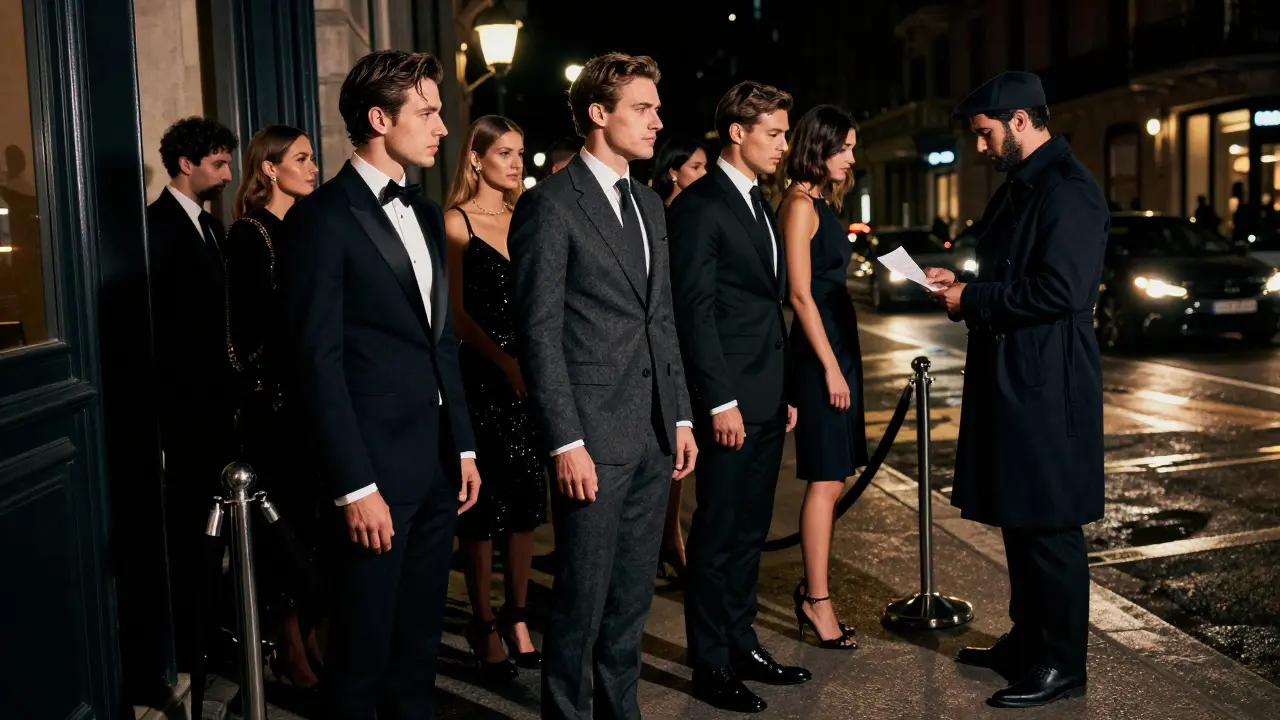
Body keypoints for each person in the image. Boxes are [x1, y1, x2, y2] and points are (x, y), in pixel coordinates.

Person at [282, 50, 482, 720]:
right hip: (370, 475)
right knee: (362, 654)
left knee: (418, 646)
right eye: (427, 113)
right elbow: (316, 361)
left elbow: (439, 341)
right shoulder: (322, 217)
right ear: (378, 118)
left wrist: (464, 447)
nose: (442, 128)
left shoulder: (426, 214)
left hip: (433, 468)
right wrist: (353, 485)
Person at [508, 52, 698, 720]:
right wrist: (566, 442)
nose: (657, 121)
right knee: (581, 597)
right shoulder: (550, 205)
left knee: (631, 599)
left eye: (655, 108)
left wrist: (679, 417)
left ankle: (623, 710)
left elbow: (662, 317)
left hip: (651, 432)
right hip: (591, 434)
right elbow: (538, 333)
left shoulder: (648, 203)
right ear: (599, 113)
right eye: (642, 109)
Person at [924, 70, 1107, 709]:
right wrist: (962, 279)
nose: (978, 147)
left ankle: (1062, 663)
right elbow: (1007, 271)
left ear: (1021, 122)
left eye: (984, 134)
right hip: (1015, 376)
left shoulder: (1068, 191)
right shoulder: (1021, 188)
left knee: (1049, 528)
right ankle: (1028, 643)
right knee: (1020, 519)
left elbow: (1064, 291)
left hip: (1048, 383)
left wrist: (971, 298)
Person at [669, 81, 808, 714]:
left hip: (765, 395)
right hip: (728, 400)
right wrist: (718, 401)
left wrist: (780, 391)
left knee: (751, 528)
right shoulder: (700, 205)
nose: (785, 144)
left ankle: (742, 641)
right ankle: (710, 660)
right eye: (775, 133)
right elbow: (693, 311)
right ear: (737, 131)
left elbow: (761, 305)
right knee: (718, 531)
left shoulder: (757, 200)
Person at [442, 115, 546, 680]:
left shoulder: (525, 218)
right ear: (477, 159)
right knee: (484, 509)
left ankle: (517, 615)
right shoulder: (455, 221)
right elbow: (455, 313)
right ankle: (481, 620)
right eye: (504, 152)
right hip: (481, 375)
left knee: (527, 503)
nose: (515, 163)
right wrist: (504, 362)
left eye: (520, 152)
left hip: (530, 376)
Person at [224, 124, 321, 689]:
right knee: (280, 526)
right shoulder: (250, 233)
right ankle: (287, 644)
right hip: (276, 408)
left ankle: (306, 632)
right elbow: (246, 335)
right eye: (302, 159)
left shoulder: (303, 227)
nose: (313, 168)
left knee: (309, 525)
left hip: (308, 402)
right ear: (270, 168)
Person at [145, 116, 238, 671]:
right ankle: (190, 642)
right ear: (187, 164)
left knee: (217, 525)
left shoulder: (211, 228)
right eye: (219, 163)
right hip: (184, 410)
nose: (228, 173)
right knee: (190, 528)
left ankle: (209, 629)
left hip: (215, 406)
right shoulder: (158, 227)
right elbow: (163, 326)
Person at [779, 104, 865, 652]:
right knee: (826, 480)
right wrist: (831, 367)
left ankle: (816, 595)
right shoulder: (798, 206)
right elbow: (799, 294)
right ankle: (816, 600)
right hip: (819, 354)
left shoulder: (819, 203)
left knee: (834, 478)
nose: (853, 158)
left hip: (837, 345)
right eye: (846, 147)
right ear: (820, 147)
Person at [650, 135, 710, 586]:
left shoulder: (693, 214)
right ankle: (664, 538)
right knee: (665, 449)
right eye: (695, 167)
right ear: (673, 171)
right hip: (659, 347)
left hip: (683, 346)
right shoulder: (660, 215)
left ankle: (670, 536)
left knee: (681, 451)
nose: (703, 175)